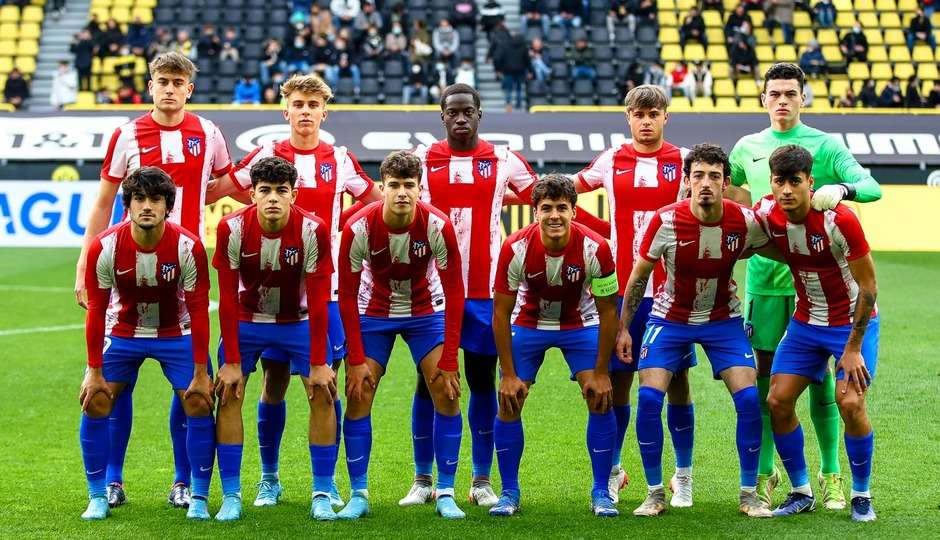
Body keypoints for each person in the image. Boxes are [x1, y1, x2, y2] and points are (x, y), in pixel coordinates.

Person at [73, 51, 234, 511]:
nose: (169, 87)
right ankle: (112, 480)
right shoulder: (127, 133)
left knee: (189, 387)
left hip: (182, 268)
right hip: (126, 273)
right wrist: (85, 263)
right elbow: (105, 202)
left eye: (177, 81)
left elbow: (223, 184)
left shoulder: (209, 133)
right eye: (161, 80)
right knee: (112, 386)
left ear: (190, 88)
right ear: (150, 85)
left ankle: (183, 480)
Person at [727, 62, 882, 511]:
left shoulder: (826, 146)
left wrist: (844, 189)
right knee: (770, 387)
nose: (781, 100)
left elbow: (872, 186)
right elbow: (737, 208)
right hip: (772, 283)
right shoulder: (747, 148)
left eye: (790, 93)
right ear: (762, 98)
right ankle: (772, 477)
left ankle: (837, 478)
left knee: (835, 394)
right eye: (773, 93)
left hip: (834, 289)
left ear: (803, 97)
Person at [223, 74, 381, 509]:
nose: (306, 111)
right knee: (271, 385)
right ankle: (269, 479)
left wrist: (345, 231)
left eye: (314, 104)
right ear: (285, 110)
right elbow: (227, 189)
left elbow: (373, 201)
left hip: (323, 294)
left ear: (324, 112)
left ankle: (325, 486)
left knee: (324, 387)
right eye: (299, 103)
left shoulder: (341, 158)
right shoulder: (267, 155)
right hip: (267, 295)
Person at [616, 143, 772, 518]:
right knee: (650, 401)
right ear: (686, 182)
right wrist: (623, 329)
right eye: (698, 176)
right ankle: (655, 492)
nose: (705, 183)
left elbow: (778, 249)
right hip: (670, 319)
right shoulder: (665, 220)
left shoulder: (744, 220)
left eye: (714, 177)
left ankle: (749, 494)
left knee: (750, 401)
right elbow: (638, 277)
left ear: (725, 182)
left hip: (723, 319)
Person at [575, 85, 696, 508]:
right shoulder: (612, 160)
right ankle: (611, 473)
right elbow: (570, 191)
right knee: (617, 384)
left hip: (671, 294)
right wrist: (600, 231)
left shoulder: (683, 162)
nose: (646, 121)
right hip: (620, 292)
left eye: (653, 113)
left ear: (666, 117)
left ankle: (683, 476)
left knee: (677, 382)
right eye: (638, 114)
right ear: (627, 118)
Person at [78, 167, 215, 520]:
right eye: (139, 198)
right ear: (128, 205)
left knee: (199, 401)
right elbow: (96, 311)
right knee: (95, 399)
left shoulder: (188, 246)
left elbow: (199, 311)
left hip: (177, 331)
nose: (147, 206)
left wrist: (201, 371)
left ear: (168, 206)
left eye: (155, 199)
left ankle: (192, 491)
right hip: (123, 332)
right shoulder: (105, 246)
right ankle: (101, 492)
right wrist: (93, 371)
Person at [336, 150, 466, 520]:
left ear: (420, 189)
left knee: (445, 388)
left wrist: (450, 357)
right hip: (373, 312)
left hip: (425, 312)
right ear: (382, 188)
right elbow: (345, 295)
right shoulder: (359, 227)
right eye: (394, 185)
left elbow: (455, 292)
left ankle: (444, 492)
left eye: (409, 185)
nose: (402, 193)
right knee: (359, 391)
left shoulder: (437, 225)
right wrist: (356, 359)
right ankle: (358, 494)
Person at [755, 144, 879, 522]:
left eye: (796, 181)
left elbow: (869, 287)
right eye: (780, 182)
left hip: (851, 323)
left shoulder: (839, 220)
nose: (787, 190)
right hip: (806, 323)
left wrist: (853, 348)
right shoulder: (767, 214)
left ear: (811, 182)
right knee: (777, 400)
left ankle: (861, 494)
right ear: (772, 184)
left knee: (850, 403)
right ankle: (801, 490)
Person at [489, 174, 620, 518]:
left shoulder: (597, 248)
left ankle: (600, 492)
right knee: (510, 400)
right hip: (528, 324)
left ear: (574, 211)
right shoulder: (514, 248)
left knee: (600, 396)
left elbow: (609, 313)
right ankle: (509, 492)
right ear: (535, 212)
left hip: (580, 324)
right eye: (546, 208)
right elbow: (501, 314)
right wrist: (507, 374)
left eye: (562, 208)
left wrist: (604, 372)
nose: (554, 216)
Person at [212, 157, 335, 521]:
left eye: (282, 191)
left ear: (294, 195)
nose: (273, 199)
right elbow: (226, 298)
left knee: (322, 392)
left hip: (297, 321)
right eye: (265, 191)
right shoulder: (230, 228)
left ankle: (322, 493)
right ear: (251, 195)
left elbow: (317, 298)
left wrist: (317, 362)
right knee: (230, 391)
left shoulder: (314, 229)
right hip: (247, 320)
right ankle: (235, 493)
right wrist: (232, 361)